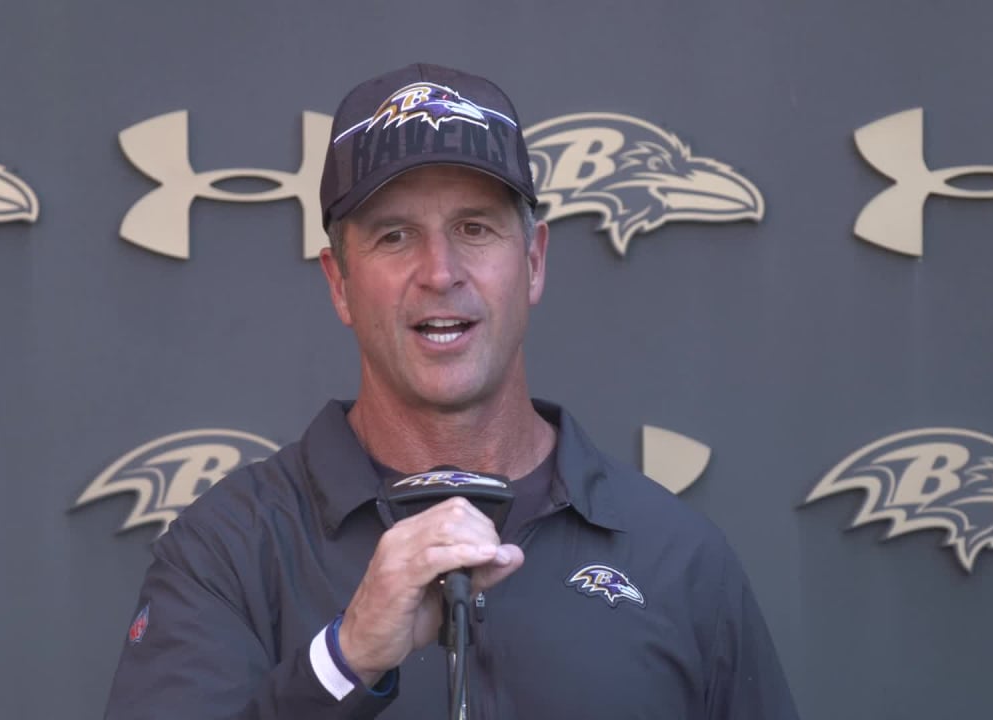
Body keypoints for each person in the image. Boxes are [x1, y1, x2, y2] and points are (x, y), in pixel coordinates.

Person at [104, 62, 800, 719]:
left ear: (532, 263)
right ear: (339, 282)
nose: (440, 272)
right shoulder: (228, 549)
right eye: (395, 235)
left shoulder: (672, 554)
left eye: (474, 228)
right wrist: (343, 661)